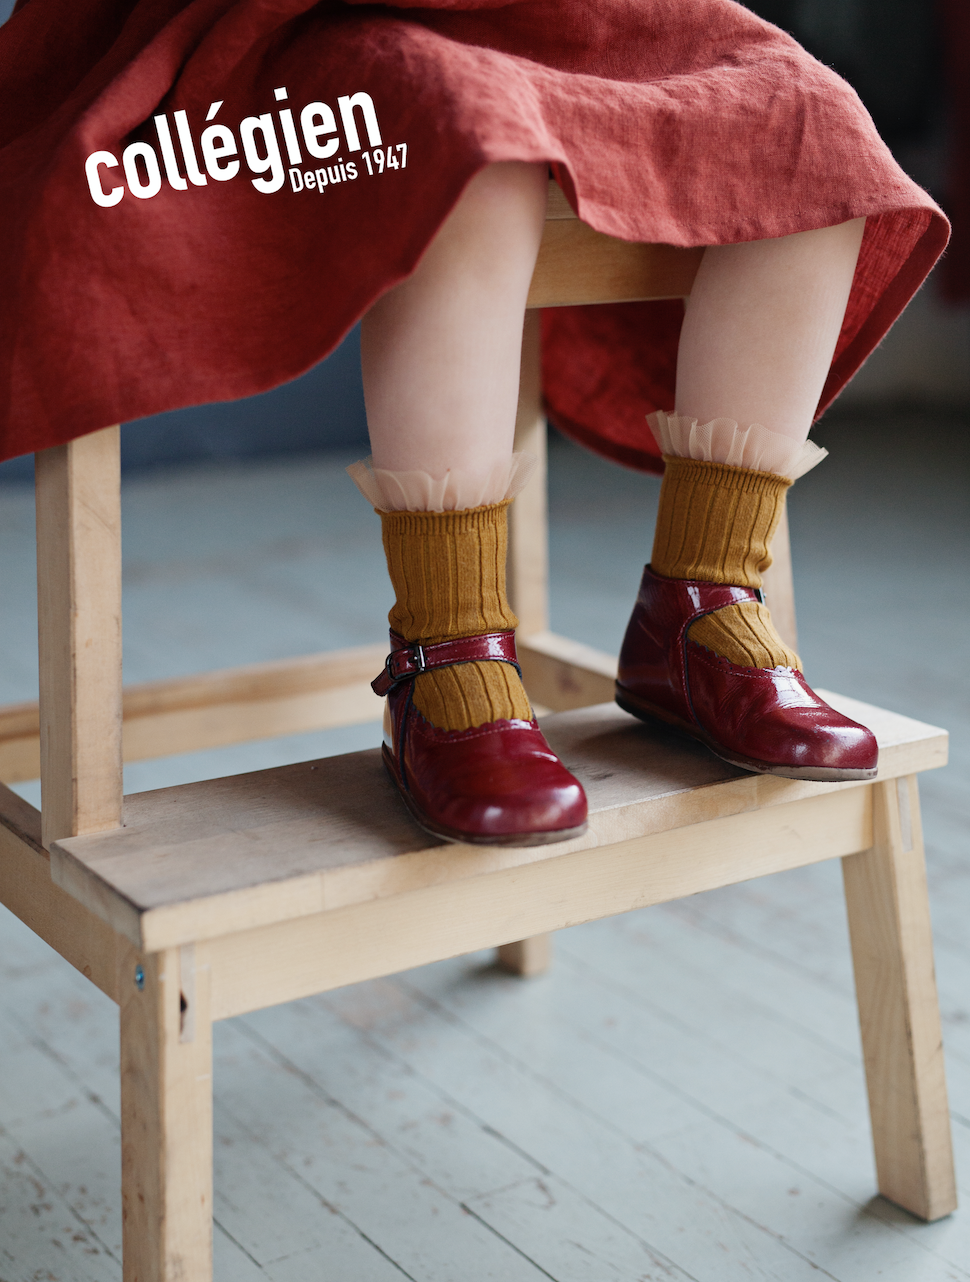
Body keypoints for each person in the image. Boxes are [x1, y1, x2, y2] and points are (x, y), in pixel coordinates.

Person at [0, 0, 948, 846]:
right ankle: (445, 648)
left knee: (810, 125)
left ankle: (700, 612)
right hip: (302, 21)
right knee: (462, 143)